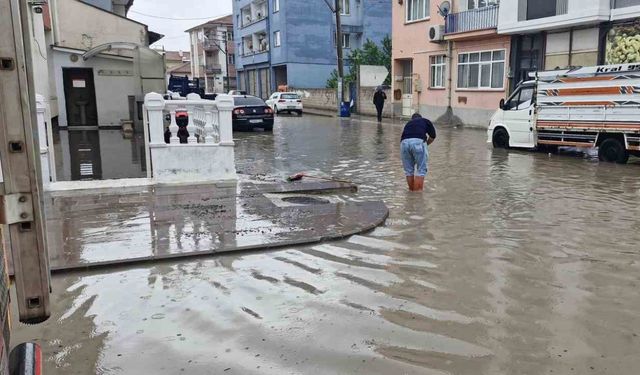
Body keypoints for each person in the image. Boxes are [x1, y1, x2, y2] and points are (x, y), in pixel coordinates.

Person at [400, 113, 436, 191]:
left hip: (404, 143)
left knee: (409, 171)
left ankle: (411, 194)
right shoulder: (425, 121)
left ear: (412, 119)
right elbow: (433, 136)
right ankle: (417, 198)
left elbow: (403, 137)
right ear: (421, 118)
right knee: (421, 170)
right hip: (418, 142)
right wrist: (426, 144)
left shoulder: (408, 123)